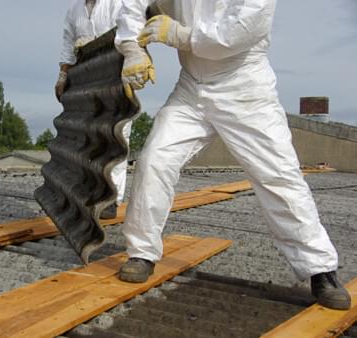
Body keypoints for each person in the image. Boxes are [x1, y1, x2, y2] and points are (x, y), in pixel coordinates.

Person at [114, 0, 351, 310]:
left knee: (278, 176)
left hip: (244, 87)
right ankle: (142, 252)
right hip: (191, 87)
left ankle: (319, 268)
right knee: (154, 159)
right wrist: (133, 48)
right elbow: (133, 3)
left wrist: (180, 36)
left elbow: (239, 30)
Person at [56, 0, 131, 218]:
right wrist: (63, 75)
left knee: (117, 135)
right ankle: (89, 192)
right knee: (89, 135)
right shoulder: (75, 10)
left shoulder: (118, 3)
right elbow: (68, 43)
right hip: (86, 75)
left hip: (117, 72)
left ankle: (112, 199)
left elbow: (132, 32)